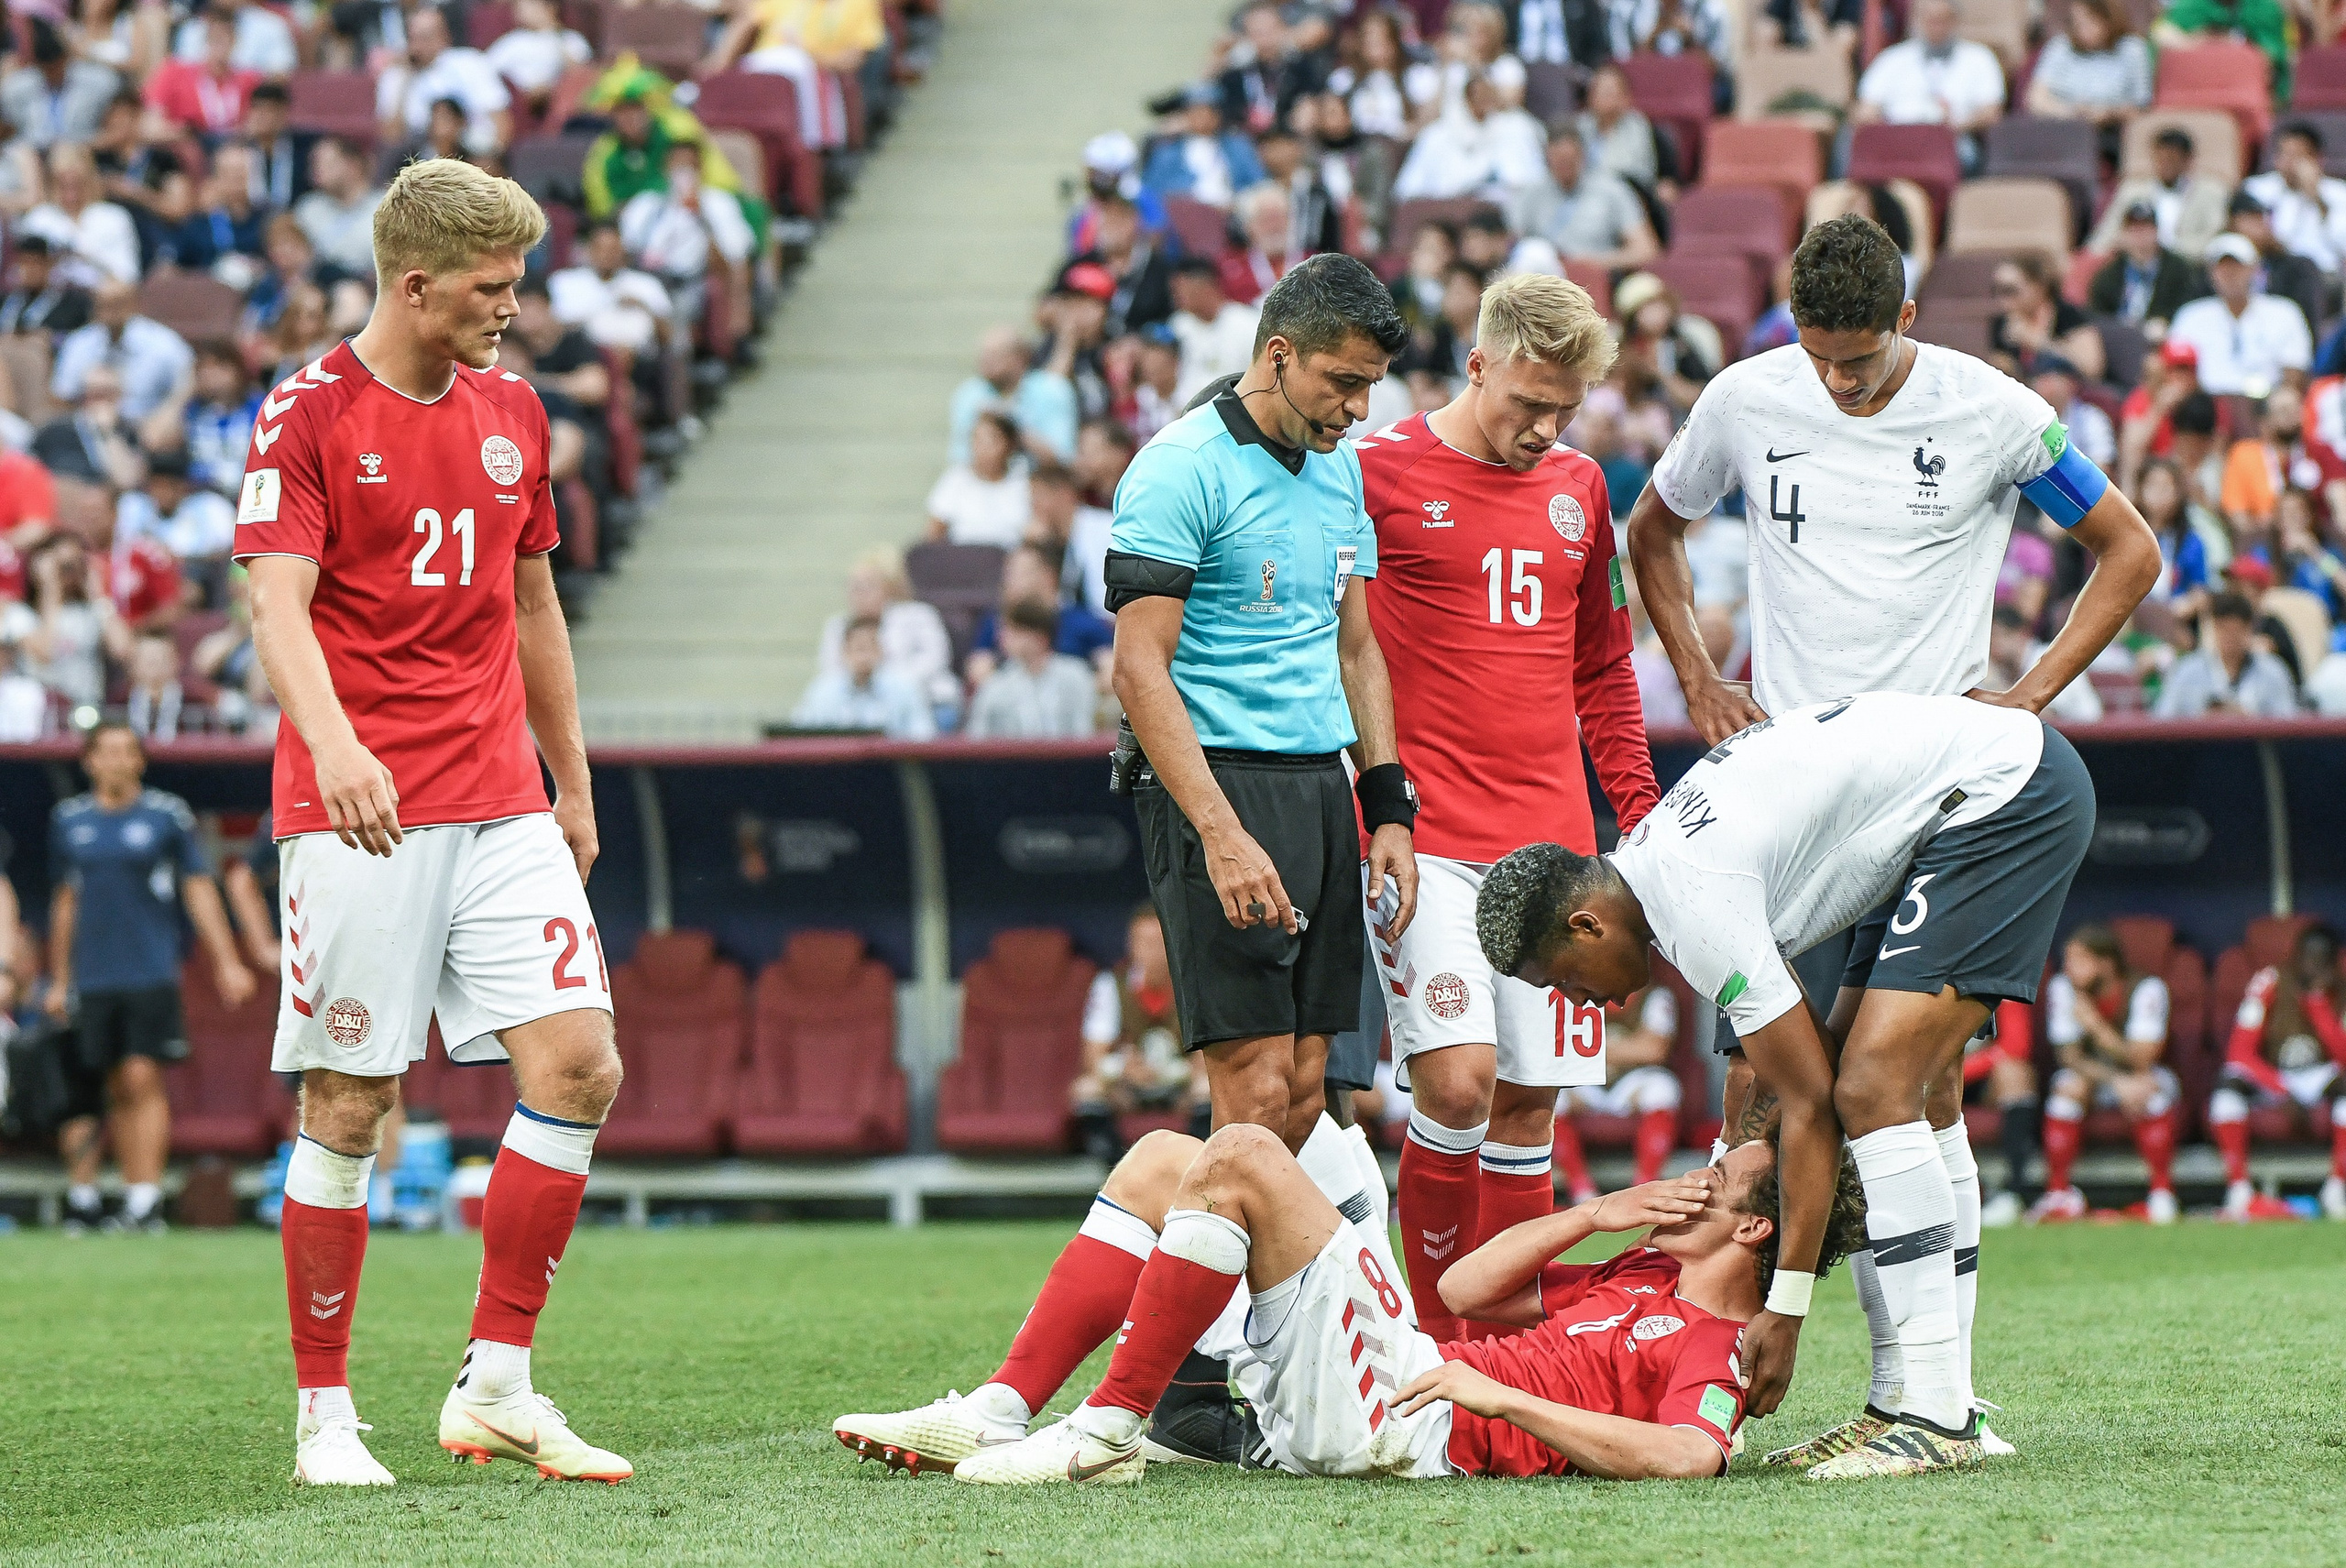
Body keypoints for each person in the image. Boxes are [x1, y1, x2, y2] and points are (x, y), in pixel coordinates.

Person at [1625, 213, 2160, 1471]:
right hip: (1794, 810)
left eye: (1859, 360)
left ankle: (1927, 1400)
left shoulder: (1994, 412)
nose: (1838, 382)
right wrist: (1697, 675)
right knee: (1761, 1096)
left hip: (1933, 796)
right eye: (1818, 356)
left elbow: (2127, 549)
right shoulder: (1745, 399)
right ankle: (1779, 1385)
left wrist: (2029, 693)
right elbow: (1650, 529)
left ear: (1907, 320)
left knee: (1905, 1091)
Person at [233, 158, 627, 1487]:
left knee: (580, 1064)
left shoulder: (515, 408)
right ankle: (325, 1415)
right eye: (491, 286)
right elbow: (277, 607)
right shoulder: (305, 414)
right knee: (353, 1098)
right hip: (361, 812)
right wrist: (337, 745)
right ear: (416, 285)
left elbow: (534, 605)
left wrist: (572, 781)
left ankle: (498, 1382)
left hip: (501, 795)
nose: (513, 307)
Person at [1481, 691, 2099, 1476]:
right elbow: (1800, 1088)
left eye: (1564, 980)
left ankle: (1942, 1415)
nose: (1581, 1001)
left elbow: (1811, 1106)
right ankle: (1897, 1403)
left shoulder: (1691, 904)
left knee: (1872, 1089)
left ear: (1586, 925)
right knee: (1853, 1081)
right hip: (1934, 818)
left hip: (2002, 795)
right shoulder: (1659, 869)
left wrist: (1785, 1310)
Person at [836, 1128, 1866, 1485]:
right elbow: (1464, 1289)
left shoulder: (1720, 1342)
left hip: (1411, 1427)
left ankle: (1107, 1430)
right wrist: (1596, 1212)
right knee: (1162, 1160)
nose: (1693, 1175)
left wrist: (1505, 1402)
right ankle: (1002, 1408)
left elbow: (1689, 1456)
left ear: (1751, 1228)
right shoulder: (1635, 1273)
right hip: (1405, 1371)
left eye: (1717, 1175)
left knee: (1244, 1155)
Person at [1351, 275, 1659, 1340]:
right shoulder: (1375, 472)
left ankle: (1510, 1355)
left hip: (1554, 850)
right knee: (1457, 1085)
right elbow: (1338, 645)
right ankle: (1433, 1351)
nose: (1545, 429)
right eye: (1528, 402)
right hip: (1424, 839)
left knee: (1528, 1104)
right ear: (1476, 364)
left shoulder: (1581, 487)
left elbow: (1603, 670)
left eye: (1564, 409)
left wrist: (1638, 815)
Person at [1107, 253, 1417, 1162]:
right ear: (1278, 354)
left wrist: (1388, 808)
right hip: (1218, 784)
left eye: (1372, 385)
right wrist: (1220, 832)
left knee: (1313, 1090)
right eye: (1344, 382)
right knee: (1255, 1087)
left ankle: (1236, 1262)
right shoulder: (1178, 468)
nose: (1359, 408)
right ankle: (1163, 1255)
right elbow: (1138, 668)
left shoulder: (1340, 471)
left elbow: (1356, 648)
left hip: (1319, 787)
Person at [46, 722, 255, 1234]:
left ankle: (144, 1196)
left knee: (142, 1076)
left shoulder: (166, 816)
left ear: (140, 760)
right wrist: (58, 977)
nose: (116, 761)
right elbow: (65, 901)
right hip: (92, 974)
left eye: (126, 751)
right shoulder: (70, 820)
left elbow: (198, 887)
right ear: (89, 761)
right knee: (100, 1085)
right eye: (106, 752)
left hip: (149, 969)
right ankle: (96, 1196)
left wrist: (226, 960)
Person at [2024, 924, 2179, 1224]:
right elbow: (2069, 1057)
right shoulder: (2063, 987)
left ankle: (2162, 1192)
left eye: (2079, 961)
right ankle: (2058, 1192)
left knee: (2149, 1091)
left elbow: (2141, 1060)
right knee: (2066, 1089)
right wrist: (2114, 1081)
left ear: (2105, 964)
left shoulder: (2147, 988)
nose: (2069, 969)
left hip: (2145, 1074)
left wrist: (2095, 1025)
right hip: (2099, 1077)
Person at [2212, 923, 2346, 1221]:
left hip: (2320, 1077)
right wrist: (2282, 1090)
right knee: (2228, 1083)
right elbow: (2240, 1052)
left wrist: (2318, 1004)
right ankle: (2238, 1189)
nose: (2314, 967)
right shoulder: (2270, 981)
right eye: (2308, 958)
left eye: (2322, 960)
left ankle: (2337, 1188)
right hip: (2273, 1075)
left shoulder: (2341, 989)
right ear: (2296, 957)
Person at [1070, 905, 1207, 1161]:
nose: (1153, 950)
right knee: (1087, 1089)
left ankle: (1195, 1158)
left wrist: (1181, 1072)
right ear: (1131, 946)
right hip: (1129, 1087)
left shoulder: (1194, 986)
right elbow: (1094, 1055)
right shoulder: (1111, 985)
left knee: (1208, 1087)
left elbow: (1208, 1053)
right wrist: (1123, 1069)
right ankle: (1112, 1163)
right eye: (1145, 942)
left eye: (1160, 942)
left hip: (1179, 1084)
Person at [1553, 986, 1684, 1203]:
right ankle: (1581, 1191)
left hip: (1630, 1083)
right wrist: (1630, 1047)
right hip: (1587, 1084)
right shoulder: (1576, 991)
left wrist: (1591, 1048)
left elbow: (1654, 1050)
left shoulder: (1655, 995)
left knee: (1664, 1088)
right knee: (1554, 1096)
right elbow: (1557, 1046)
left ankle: (1644, 1187)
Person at [1848, 0, 2006, 173]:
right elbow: (1865, 110)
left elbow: (1991, 112)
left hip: (1951, 142)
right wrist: (1893, 132)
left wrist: (1955, 126)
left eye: (1941, 20)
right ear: (1915, 20)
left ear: (1955, 21)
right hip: (1896, 142)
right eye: (1929, 20)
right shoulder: (1891, 59)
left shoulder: (1979, 58)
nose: (1935, 27)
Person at [2165, 236, 2313, 399]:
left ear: (2254, 269)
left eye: (2237, 267)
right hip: (2205, 402)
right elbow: (2176, 367)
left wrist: (2284, 395)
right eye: (2223, 268)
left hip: (2266, 401)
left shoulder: (2284, 312)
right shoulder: (2191, 315)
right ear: (2211, 272)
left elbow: (2295, 368)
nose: (2230, 274)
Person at [1506, 125, 1658, 274]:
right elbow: (1509, 242)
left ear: (1583, 155)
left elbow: (1646, 250)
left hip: (1598, 275)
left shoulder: (1613, 190)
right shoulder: (1531, 192)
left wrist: (1597, 262)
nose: (1564, 167)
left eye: (1570, 160)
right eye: (1559, 161)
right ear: (1547, 157)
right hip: (1543, 277)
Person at [1389, 71, 1546, 203]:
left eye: (1487, 95)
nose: (1483, 102)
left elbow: (1529, 183)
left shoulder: (1515, 128)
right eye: (1477, 96)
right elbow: (1407, 190)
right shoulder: (1435, 135)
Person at [375, 8, 510, 156]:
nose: (417, 46)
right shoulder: (395, 76)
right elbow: (391, 138)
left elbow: (501, 120)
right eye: (412, 38)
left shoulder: (471, 62)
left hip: (476, 153)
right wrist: (405, 80)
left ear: (444, 36)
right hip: (422, 158)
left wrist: (494, 159)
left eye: (425, 37)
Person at [2088, 125, 2230, 258]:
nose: (2166, 165)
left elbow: (2215, 238)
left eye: (2172, 159)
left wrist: (2165, 252)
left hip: (2191, 265)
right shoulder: (2133, 192)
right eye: (2161, 159)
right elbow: (2104, 237)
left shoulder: (2211, 192)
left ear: (2188, 160)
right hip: (2138, 264)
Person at [2153, 588, 2300, 715]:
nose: (2230, 638)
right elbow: (2163, 721)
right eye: (2223, 629)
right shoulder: (2187, 671)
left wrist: (2248, 720)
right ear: (2214, 627)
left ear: (2249, 629)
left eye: (2236, 631)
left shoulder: (2273, 672)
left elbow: (2288, 725)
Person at [965, 599, 1097, 737]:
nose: (1001, 637)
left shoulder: (1076, 676)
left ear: (1040, 637)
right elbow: (977, 737)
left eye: (1014, 630)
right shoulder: (995, 686)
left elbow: (1085, 732)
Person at [948, 325, 1077, 466]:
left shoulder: (1051, 389)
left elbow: (1062, 460)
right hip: (986, 478)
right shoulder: (969, 394)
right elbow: (962, 458)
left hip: (1038, 476)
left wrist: (1010, 427)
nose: (986, 362)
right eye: (984, 356)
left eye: (995, 356)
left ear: (1020, 358)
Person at [790, 616, 935, 737]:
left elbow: (923, 736)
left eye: (870, 648)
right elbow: (799, 735)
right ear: (844, 653)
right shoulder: (822, 690)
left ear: (881, 652)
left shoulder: (905, 688)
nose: (864, 657)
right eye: (858, 649)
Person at [2087, 201, 2207, 342]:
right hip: (2119, 341)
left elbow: (2188, 307)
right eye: (2134, 231)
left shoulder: (2178, 270)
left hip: (2165, 340)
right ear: (2123, 234)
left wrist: (2165, 321)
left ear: (2157, 232)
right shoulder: (2108, 276)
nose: (2140, 239)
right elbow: (2097, 316)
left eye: (2146, 230)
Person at [2022, 0, 2151, 130]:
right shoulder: (2060, 47)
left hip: (2114, 129)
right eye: (2078, 23)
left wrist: (2110, 113)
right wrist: (2072, 112)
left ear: (2107, 19)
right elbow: (2035, 99)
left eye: (2091, 21)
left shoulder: (2132, 49)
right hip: (2063, 127)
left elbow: (2142, 106)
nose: (2084, 29)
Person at [1987, 250, 2104, 382]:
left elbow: (2092, 368)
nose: (2002, 299)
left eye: (2010, 290)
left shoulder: (2068, 316)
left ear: (2039, 286)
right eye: (1996, 290)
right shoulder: (2003, 322)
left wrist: (2042, 344)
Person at [926, 410, 1030, 546]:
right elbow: (934, 532)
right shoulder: (956, 479)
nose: (982, 449)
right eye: (977, 440)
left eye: (991, 441)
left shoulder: (1024, 482)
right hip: (963, 556)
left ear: (1010, 444)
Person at [1168, 258, 1260, 407]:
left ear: (1205, 286)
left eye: (1181, 289)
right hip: (1186, 411)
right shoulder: (1178, 327)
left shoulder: (1247, 324)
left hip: (1237, 408)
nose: (1176, 297)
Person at [294, 137, 384, 282]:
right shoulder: (308, 209)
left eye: (327, 163)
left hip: (370, 287)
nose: (317, 170)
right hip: (316, 286)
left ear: (353, 165)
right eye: (314, 164)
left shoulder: (388, 207)